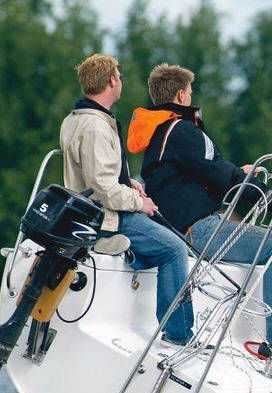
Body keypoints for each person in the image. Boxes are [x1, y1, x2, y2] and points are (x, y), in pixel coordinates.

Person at [128, 63, 272, 369]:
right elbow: (220, 174)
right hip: (197, 229)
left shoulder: (164, 132)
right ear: (180, 94)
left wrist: (240, 174)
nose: (192, 96)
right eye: (190, 91)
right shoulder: (183, 130)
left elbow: (207, 175)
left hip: (188, 225)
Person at [60, 54, 194, 345]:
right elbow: (104, 189)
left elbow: (97, 173)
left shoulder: (75, 119)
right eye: (119, 76)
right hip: (106, 217)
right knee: (175, 248)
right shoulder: (96, 126)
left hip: (90, 210)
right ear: (111, 81)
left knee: (163, 237)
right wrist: (139, 203)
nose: (121, 80)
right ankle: (179, 334)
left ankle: (137, 255)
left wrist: (128, 181)